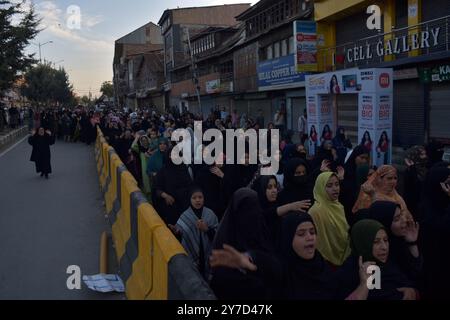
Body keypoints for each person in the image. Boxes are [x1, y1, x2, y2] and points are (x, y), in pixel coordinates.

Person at [279, 213, 373, 300]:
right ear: (288, 239)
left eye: (312, 232)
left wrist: (364, 284)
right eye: (301, 234)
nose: (310, 237)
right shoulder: (280, 275)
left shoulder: (322, 267)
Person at [209, 188, 282, 300]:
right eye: (245, 209)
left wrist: (252, 258)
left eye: (254, 207)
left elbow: (277, 270)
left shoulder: (263, 234)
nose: (251, 214)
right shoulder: (224, 246)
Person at [337, 219, 418, 300]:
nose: (384, 247)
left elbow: (415, 282)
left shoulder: (388, 266)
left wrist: (412, 292)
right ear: (363, 244)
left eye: (385, 240)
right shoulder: (347, 274)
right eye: (376, 242)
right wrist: (364, 285)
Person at [365, 201, 422, 285]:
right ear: (385, 222)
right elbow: (375, 288)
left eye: (402, 215)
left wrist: (412, 243)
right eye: (397, 219)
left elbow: (416, 273)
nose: (404, 220)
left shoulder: (399, 241)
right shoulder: (374, 253)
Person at [169, 188, 219, 279]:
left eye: (200, 197)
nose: (197, 200)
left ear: (204, 198)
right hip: (193, 253)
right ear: (190, 199)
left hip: (208, 253)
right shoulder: (185, 216)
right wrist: (176, 232)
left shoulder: (210, 214)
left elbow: (218, 236)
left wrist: (206, 229)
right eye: (194, 198)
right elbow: (181, 235)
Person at [419, 166, 450, 299]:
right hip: (435, 267)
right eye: (448, 182)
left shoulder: (444, 203)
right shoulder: (426, 208)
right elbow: (442, 229)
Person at [253, 175, 311, 246]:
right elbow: (268, 214)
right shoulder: (256, 210)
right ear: (261, 189)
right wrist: (291, 206)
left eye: (275, 187)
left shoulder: (277, 203)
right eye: (269, 187)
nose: (274, 190)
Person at [308, 172, 351, 267]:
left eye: (337, 184)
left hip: (344, 257)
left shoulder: (339, 206)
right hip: (324, 262)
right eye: (329, 185)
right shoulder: (315, 212)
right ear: (321, 188)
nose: (335, 188)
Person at [153, 149, 194, 225]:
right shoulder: (163, 170)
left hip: (185, 204)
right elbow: (157, 188)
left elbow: (190, 185)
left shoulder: (183, 168)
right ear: (169, 156)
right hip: (170, 205)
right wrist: (165, 196)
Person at [340, 145, 370, 224]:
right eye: (361, 157)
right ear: (354, 157)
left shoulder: (368, 172)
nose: (364, 161)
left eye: (366, 158)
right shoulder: (345, 172)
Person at [404, 145, 429, 219]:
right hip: (413, 207)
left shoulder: (424, 168)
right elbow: (414, 187)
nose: (425, 156)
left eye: (425, 154)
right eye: (422, 154)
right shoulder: (410, 171)